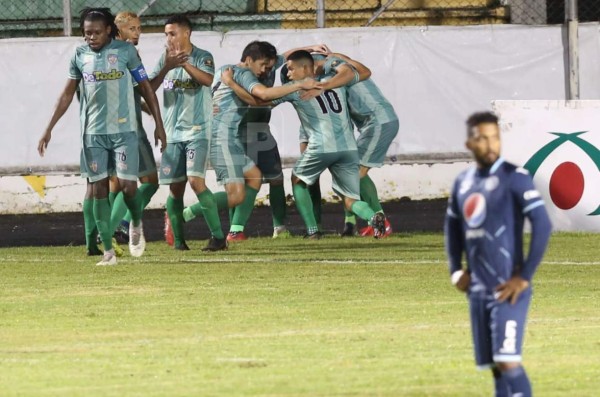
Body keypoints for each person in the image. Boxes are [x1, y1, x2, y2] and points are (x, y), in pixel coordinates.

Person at [38, 7, 166, 265]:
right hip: (93, 134)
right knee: (98, 189)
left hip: (124, 132)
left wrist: (159, 125)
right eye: (87, 33)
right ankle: (108, 252)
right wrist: (48, 128)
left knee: (130, 188)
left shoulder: (126, 52)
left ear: (109, 30)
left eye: (96, 32)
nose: (91, 38)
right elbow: (66, 94)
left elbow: (146, 89)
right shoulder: (79, 55)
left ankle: (136, 223)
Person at [444, 111, 552, 397]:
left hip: (508, 287)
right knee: (494, 365)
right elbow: (453, 228)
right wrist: (456, 269)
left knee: (507, 361)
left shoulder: (514, 177)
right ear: (469, 143)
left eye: (495, 138)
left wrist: (524, 277)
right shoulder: (463, 182)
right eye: (483, 139)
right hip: (478, 289)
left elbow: (542, 224)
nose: (491, 145)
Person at [209, 41, 319, 242]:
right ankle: (234, 229)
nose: (266, 70)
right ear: (250, 60)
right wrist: (296, 85)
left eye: (269, 66)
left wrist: (310, 48)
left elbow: (285, 56)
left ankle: (279, 228)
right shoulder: (245, 74)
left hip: (260, 131)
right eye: (264, 66)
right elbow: (259, 97)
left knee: (274, 179)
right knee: (242, 183)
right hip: (240, 131)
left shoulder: (255, 68)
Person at [272, 50, 387, 239]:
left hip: (321, 146)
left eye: (291, 69)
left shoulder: (295, 88)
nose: (289, 74)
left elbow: (262, 101)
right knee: (350, 199)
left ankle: (312, 230)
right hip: (348, 148)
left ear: (306, 68)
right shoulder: (335, 80)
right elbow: (365, 72)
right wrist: (340, 59)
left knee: (298, 180)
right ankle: (373, 216)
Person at [149, 14, 226, 251]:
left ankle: (218, 237)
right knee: (175, 187)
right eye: (166, 34)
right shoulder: (164, 58)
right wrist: (167, 67)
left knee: (195, 181)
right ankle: (180, 241)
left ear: (186, 33)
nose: (168, 38)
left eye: (172, 33)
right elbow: (150, 87)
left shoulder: (203, 56)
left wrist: (183, 64)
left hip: (198, 131)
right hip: (172, 134)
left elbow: (206, 79)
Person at [102, 10, 160, 249]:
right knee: (150, 181)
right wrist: (166, 66)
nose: (138, 33)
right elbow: (147, 86)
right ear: (119, 31)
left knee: (115, 183)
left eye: (139, 28)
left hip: (106, 127)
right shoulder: (128, 52)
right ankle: (121, 225)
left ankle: (102, 230)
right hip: (129, 129)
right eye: (132, 28)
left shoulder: (103, 53)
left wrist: (144, 107)